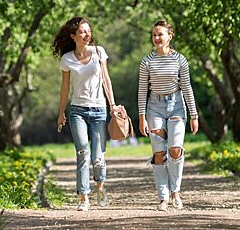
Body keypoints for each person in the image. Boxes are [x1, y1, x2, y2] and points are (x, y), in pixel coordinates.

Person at [53, 16, 121, 211]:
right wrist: (61, 113)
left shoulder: (99, 52)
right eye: (82, 31)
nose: (87, 34)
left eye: (88, 31)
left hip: (99, 110)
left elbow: (106, 80)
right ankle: (83, 198)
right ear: (73, 36)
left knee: (98, 157)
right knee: (82, 151)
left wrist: (113, 105)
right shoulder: (67, 59)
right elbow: (65, 88)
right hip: (77, 112)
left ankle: (100, 188)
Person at [137, 20, 199, 212]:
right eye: (154, 35)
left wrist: (194, 114)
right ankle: (163, 197)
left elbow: (187, 87)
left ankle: (176, 193)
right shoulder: (146, 61)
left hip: (177, 106)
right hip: (154, 107)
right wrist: (141, 116)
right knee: (158, 153)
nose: (156, 38)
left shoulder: (180, 60)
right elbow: (141, 90)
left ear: (170, 36)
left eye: (160, 34)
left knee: (175, 149)